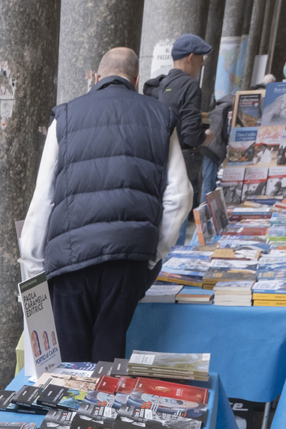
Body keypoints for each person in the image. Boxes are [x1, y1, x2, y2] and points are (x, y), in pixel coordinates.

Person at [20, 47, 192, 365]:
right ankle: (101, 410)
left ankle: (68, 412)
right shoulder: (160, 116)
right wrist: (153, 254)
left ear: (97, 77)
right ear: (136, 80)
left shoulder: (66, 116)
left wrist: (33, 268)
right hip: (127, 261)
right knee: (108, 363)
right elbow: (180, 197)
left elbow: (43, 198)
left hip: (70, 261)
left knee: (70, 368)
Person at [144, 33, 214, 214]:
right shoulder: (190, 85)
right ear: (191, 57)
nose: (203, 63)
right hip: (182, 159)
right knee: (180, 212)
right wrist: (207, 137)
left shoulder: (159, 84)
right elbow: (191, 135)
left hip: (158, 155)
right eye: (201, 57)